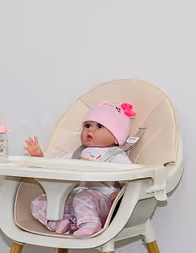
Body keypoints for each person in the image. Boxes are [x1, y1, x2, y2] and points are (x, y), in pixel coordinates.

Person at [24, 101, 137, 237]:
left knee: (82, 197)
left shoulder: (115, 155)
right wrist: (39, 157)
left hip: (101, 201)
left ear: (116, 136)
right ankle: (58, 224)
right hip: (72, 198)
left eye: (100, 126)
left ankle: (91, 224)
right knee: (39, 201)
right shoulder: (77, 153)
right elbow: (56, 164)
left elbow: (131, 175)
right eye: (87, 126)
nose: (90, 130)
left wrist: (121, 193)